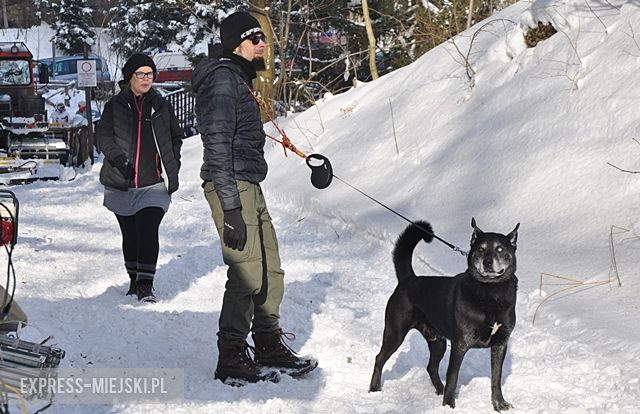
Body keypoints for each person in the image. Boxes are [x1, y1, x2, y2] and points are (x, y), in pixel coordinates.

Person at [192, 11, 317, 385]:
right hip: (229, 185)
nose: (263, 44)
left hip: (249, 183)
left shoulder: (238, 79)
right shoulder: (222, 83)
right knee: (247, 272)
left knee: (270, 269)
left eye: (263, 38)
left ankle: (267, 343)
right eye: (255, 38)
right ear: (237, 43)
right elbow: (216, 145)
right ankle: (230, 354)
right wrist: (230, 206)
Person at [96, 53, 183, 303]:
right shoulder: (115, 105)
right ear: (130, 77)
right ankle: (134, 279)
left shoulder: (160, 105)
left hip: (152, 183)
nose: (147, 79)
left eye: (150, 74)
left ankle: (146, 285)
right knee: (130, 234)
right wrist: (118, 159)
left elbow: (176, 136)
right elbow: (103, 136)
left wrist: (172, 160)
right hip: (120, 182)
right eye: (141, 74)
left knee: (147, 230)